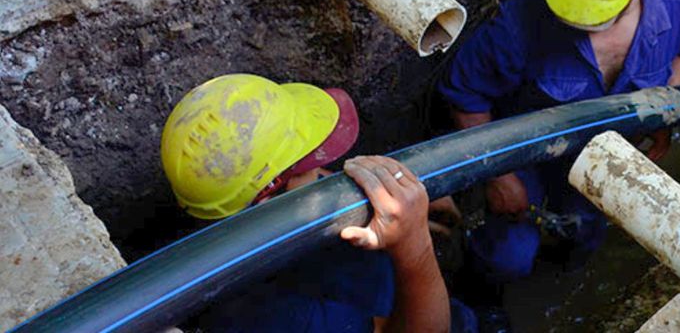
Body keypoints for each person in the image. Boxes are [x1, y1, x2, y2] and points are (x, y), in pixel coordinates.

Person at [439, 0, 680, 320]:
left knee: (587, 234)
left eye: (591, 13)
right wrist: (500, 176)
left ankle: (570, 265)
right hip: (528, 155)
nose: (575, 21)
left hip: (610, 155)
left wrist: (664, 110)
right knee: (509, 256)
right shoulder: (522, 23)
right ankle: (482, 300)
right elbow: (465, 92)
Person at [160, 73, 476, 333]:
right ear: (272, 199)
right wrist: (414, 246)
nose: (324, 169)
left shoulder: (218, 209)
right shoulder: (274, 318)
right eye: (309, 164)